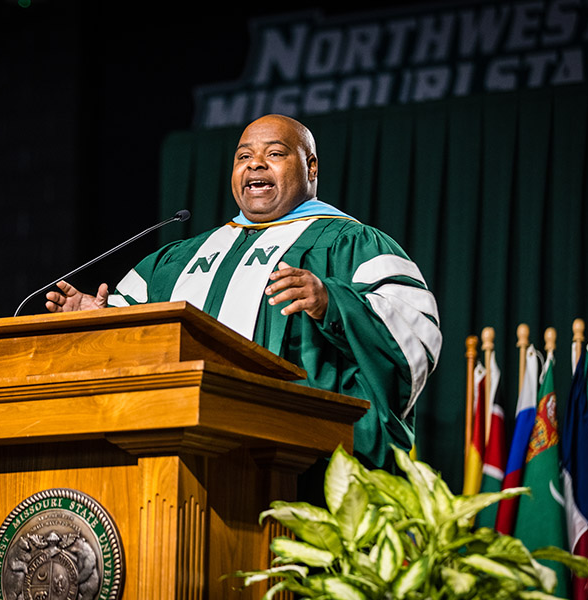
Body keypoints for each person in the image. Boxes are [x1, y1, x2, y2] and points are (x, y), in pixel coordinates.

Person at [45, 114, 441, 470]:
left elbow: (414, 337)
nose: (255, 164)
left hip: (305, 465)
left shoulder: (352, 243)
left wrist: (332, 302)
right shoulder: (180, 258)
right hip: (181, 458)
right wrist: (99, 319)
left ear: (311, 167)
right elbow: (137, 342)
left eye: (275, 153)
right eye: (243, 156)